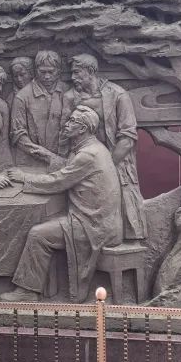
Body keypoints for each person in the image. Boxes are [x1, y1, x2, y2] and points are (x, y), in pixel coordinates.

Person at [0, 106, 122, 302]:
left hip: (93, 226)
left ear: (82, 129)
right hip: (101, 221)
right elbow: (69, 168)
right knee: (47, 220)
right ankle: (46, 288)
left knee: (38, 234)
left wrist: (24, 178)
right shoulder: (96, 148)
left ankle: (27, 291)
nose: (66, 124)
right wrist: (45, 156)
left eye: (72, 121)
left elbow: (58, 181)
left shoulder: (88, 155)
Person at [61, 53, 146, 241]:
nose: (73, 77)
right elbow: (63, 134)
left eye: (77, 72)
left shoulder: (118, 94)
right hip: (81, 164)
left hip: (116, 163)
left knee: (122, 215)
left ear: (91, 71)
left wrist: (106, 166)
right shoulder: (70, 97)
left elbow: (127, 138)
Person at [10, 50, 67, 169]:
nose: (47, 76)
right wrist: (49, 157)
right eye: (42, 72)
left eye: (51, 72)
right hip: (31, 163)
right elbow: (18, 135)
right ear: (36, 71)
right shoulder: (22, 97)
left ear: (59, 71)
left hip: (64, 160)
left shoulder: (67, 92)